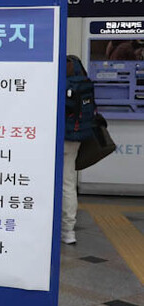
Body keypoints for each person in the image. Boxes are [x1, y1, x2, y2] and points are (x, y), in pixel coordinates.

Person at [62, 54, 96, 246]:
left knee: (52, 184)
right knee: (68, 184)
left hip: (60, 139)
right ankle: (69, 231)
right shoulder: (85, 83)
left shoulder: (61, 84)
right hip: (76, 140)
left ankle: (53, 227)